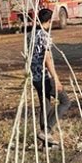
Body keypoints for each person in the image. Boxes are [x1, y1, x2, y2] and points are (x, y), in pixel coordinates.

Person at [31, 8, 71, 145]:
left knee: (45, 106)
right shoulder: (44, 36)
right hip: (45, 77)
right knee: (65, 101)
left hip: (35, 77)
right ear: (49, 20)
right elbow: (47, 59)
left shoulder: (31, 35)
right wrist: (56, 79)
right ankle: (46, 131)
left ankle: (45, 143)